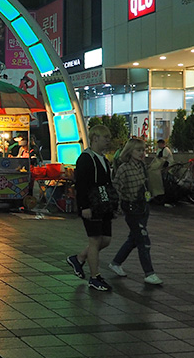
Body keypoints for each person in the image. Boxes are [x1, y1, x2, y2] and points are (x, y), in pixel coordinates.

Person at [107, 137, 162, 285]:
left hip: (143, 207)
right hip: (131, 208)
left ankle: (116, 263)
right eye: (138, 150)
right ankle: (149, 273)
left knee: (134, 238)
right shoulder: (124, 168)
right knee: (143, 240)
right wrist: (116, 207)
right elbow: (116, 187)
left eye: (143, 150)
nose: (142, 153)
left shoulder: (142, 166)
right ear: (130, 151)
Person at [67, 125, 114, 291]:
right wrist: (84, 206)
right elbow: (81, 185)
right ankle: (95, 277)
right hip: (92, 204)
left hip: (103, 204)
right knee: (94, 240)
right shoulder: (86, 159)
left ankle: (79, 258)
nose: (108, 141)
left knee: (105, 240)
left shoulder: (103, 159)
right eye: (105, 138)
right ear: (95, 138)